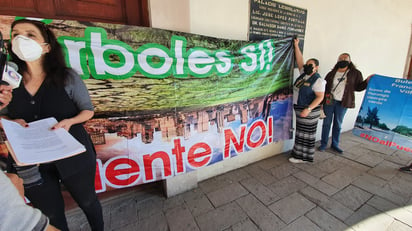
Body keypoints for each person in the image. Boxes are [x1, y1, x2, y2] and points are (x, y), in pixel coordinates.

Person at [3, 19, 104, 231]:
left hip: (73, 155)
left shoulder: (67, 77)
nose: (21, 39)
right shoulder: (8, 82)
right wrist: (9, 122)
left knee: (88, 201)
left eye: (30, 35)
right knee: (51, 214)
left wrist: (71, 121)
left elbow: (88, 110)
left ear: (46, 46)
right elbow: (2, 117)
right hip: (31, 164)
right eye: (16, 35)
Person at [318, 53, 368, 153]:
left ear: (349, 61)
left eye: (345, 58)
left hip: (343, 103)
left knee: (338, 124)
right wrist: (321, 102)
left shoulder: (355, 73)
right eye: (340, 58)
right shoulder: (332, 73)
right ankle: (323, 144)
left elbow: (358, 87)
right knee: (326, 123)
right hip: (329, 101)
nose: (342, 60)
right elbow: (325, 87)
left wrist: (367, 81)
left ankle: (335, 144)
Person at [289, 38, 325, 163]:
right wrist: (296, 46)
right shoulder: (304, 74)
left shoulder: (318, 80)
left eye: (311, 65)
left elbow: (320, 97)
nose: (307, 66)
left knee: (306, 135)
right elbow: (300, 60)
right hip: (300, 108)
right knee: (301, 133)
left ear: (316, 67)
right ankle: (298, 154)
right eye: (307, 64)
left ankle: (304, 158)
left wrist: (308, 109)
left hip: (309, 110)